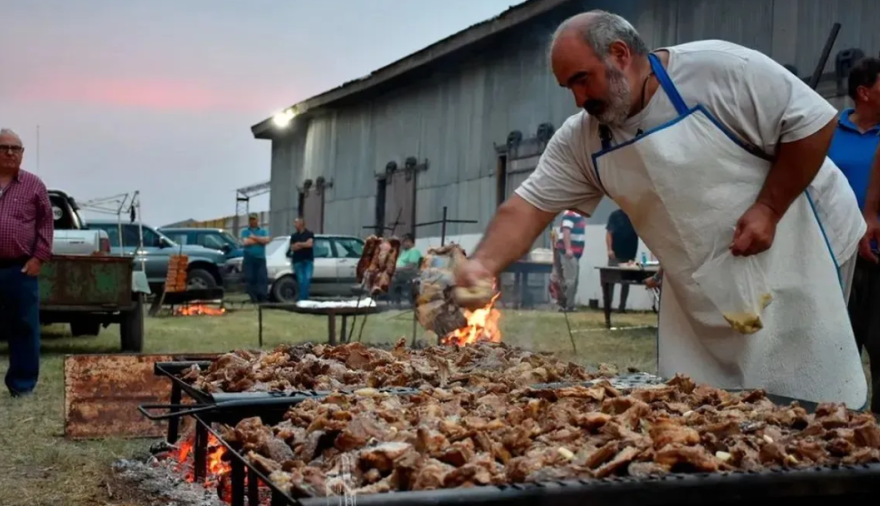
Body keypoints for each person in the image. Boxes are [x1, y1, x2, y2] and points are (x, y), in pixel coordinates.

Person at [455, 10, 867, 408]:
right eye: (569, 87)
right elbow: (528, 207)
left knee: (802, 380)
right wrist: (483, 265)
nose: (579, 99)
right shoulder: (581, 140)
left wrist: (769, 208)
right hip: (702, 274)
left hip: (802, 237)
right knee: (709, 397)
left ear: (620, 54)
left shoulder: (720, 71)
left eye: (583, 79)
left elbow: (813, 122)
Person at [826, 57, 880, 413]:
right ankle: (838, 415)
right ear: (864, 92)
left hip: (876, 250)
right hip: (837, 252)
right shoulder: (828, 132)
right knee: (841, 338)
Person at [0, 128, 53, 397]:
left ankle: (22, 386)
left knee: (24, 327)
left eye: (16, 148)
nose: (10, 153)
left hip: (19, 269)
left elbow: (46, 223)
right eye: (4, 148)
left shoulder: (34, 185)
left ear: (22, 154)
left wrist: (38, 257)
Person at [606, 208, 638, 312]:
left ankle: (622, 307)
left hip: (629, 255)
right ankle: (608, 306)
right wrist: (609, 249)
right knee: (610, 281)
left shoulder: (634, 215)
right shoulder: (615, 215)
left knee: (626, 282)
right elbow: (609, 233)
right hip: (615, 254)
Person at [554, 210, 586, 311]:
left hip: (576, 253)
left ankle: (570, 305)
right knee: (570, 280)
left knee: (574, 280)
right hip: (569, 252)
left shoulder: (579, 215)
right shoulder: (570, 214)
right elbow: (566, 231)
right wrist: (568, 248)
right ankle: (564, 305)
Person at [240, 214, 270, 303]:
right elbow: (246, 242)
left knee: (262, 278)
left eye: (254, 219)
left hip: (260, 258)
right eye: (251, 219)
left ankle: (262, 297)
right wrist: (260, 240)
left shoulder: (263, 231)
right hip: (249, 259)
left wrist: (254, 238)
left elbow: (266, 240)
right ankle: (253, 297)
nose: (252, 221)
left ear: (257, 220)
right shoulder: (245, 231)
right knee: (250, 278)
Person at [289, 218, 314, 301]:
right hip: (297, 261)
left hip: (308, 260)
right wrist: (304, 244)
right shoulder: (294, 236)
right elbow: (292, 248)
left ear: (301, 224)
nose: (294, 225)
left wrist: (299, 244)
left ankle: (303, 298)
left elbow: (310, 244)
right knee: (301, 280)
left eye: (295, 223)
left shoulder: (309, 234)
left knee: (307, 279)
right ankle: (304, 298)